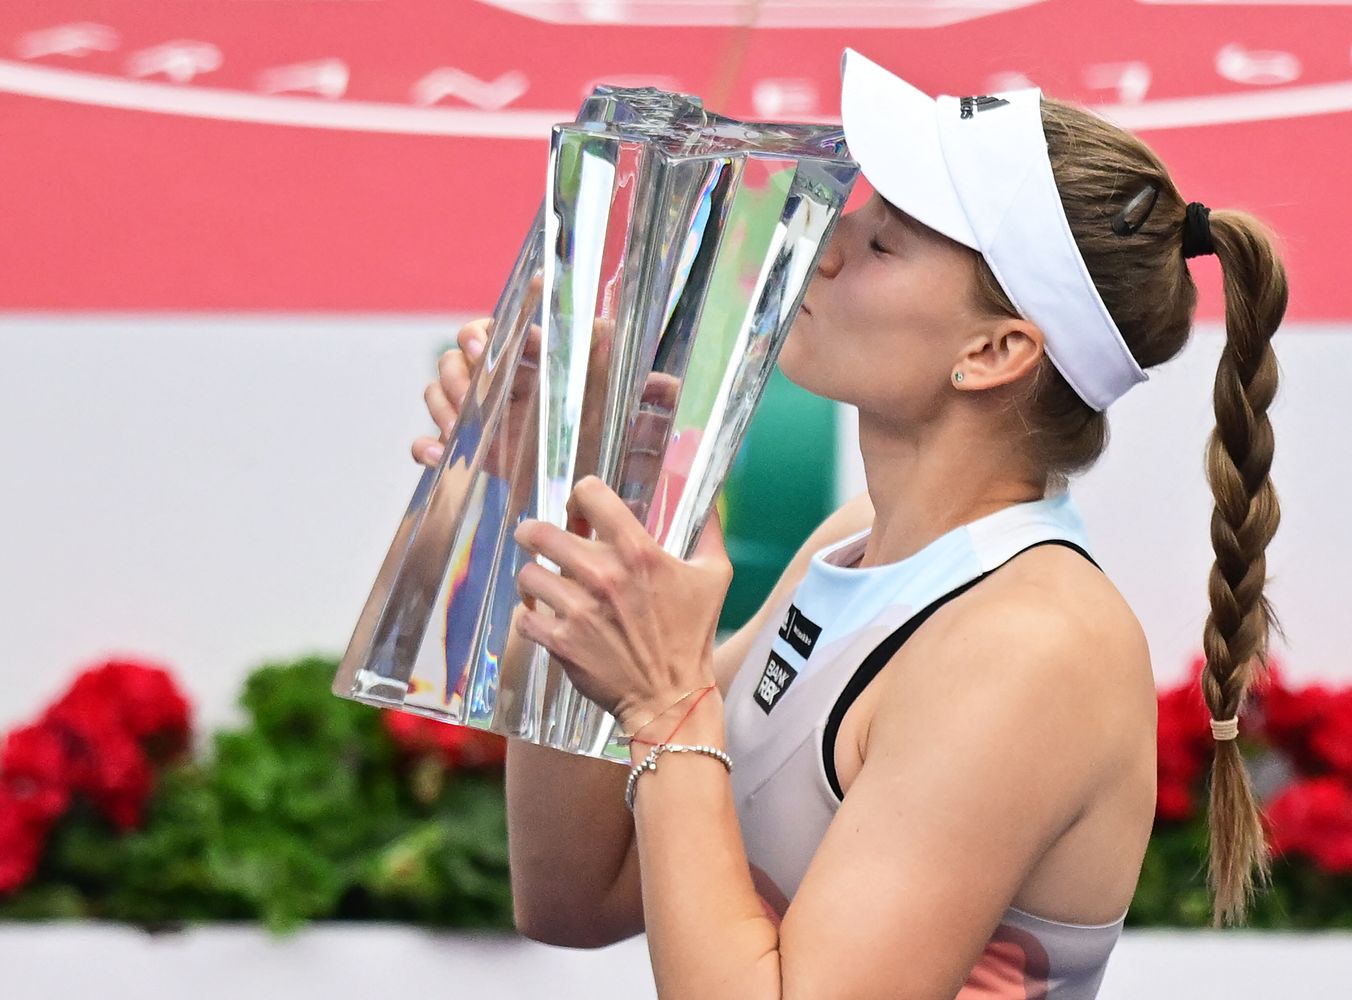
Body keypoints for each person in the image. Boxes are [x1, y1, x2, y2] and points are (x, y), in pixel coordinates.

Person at [412, 48, 1286, 1000]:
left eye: (883, 243)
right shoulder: (863, 535)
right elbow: (573, 893)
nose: (825, 238)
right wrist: (568, 496)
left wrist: (669, 704)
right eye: (860, 209)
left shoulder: (1033, 645)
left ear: (994, 351)